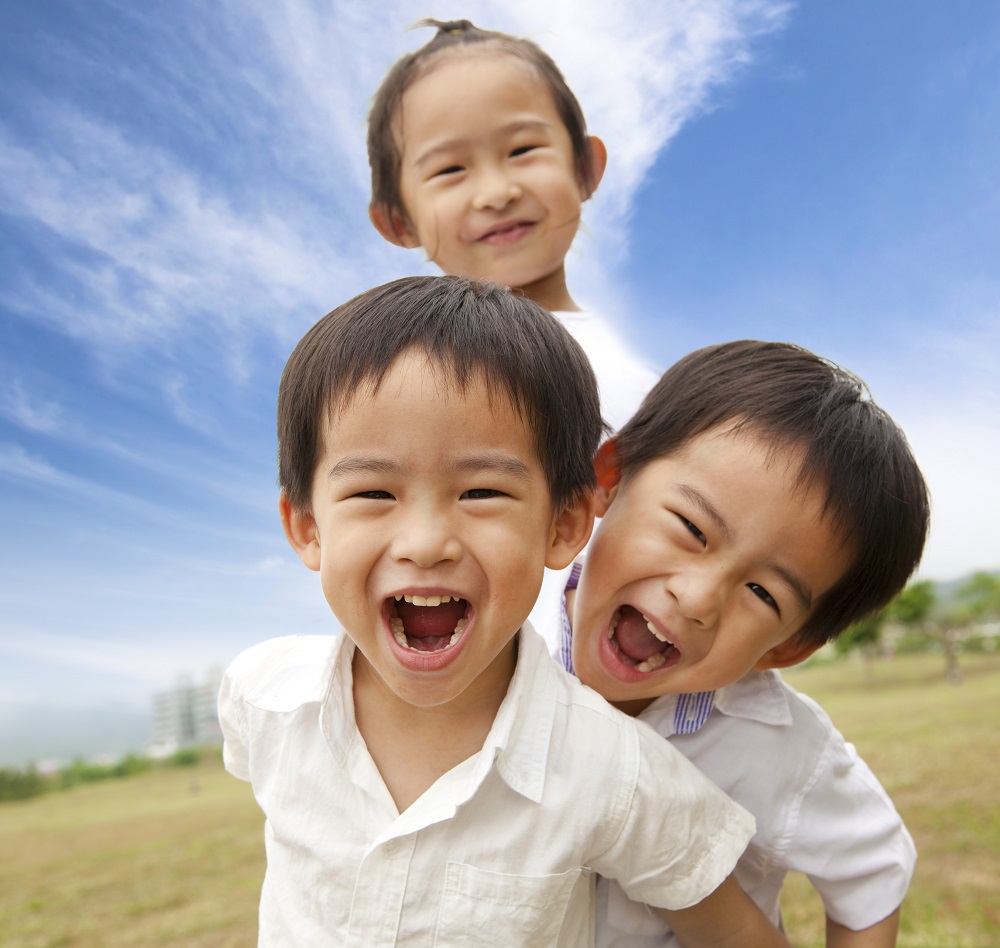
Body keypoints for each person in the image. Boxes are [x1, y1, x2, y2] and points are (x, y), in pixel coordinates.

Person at [218, 277, 791, 947]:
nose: (426, 543)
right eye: (374, 491)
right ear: (308, 528)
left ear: (564, 522)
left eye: (482, 491)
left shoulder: (612, 768)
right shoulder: (263, 698)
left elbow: (736, 932)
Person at [561, 340, 929, 948]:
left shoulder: (779, 747)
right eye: (691, 528)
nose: (699, 598)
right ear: (610, 477)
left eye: (762, 593)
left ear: (787, 647)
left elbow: (875, 871)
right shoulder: (499, 642)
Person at [366, 17, 661, 645]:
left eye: (523, 151)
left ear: (586, 166)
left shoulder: (654, 392)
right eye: (449, 171)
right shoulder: (392, 383)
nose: (496, 191)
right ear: (398, 219)